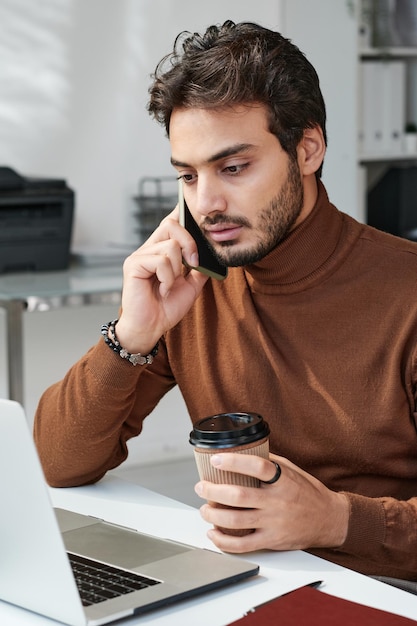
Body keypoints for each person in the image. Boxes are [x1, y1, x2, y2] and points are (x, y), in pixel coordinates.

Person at [34, 20, 417, 584]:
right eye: (188, 176)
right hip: (239, 583)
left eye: (233, 168)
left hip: (387, 592)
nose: (206, 203)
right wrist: (131, 335)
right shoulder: (195, 284)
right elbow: (56, 463)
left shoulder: (404, 292)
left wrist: (337, 520)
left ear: (307, 149)